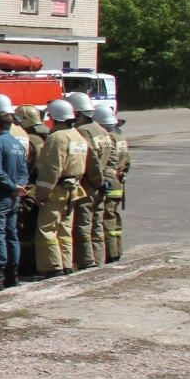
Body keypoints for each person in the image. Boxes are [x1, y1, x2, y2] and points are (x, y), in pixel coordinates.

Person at [34, 98, 87, 278]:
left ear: (55, 117)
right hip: (73, 188)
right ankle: (66, 264)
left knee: (47, 229)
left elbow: (51, 169)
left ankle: (52, 266)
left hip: (57, 190)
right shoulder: (77, 135)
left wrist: (41, 194)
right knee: (65, 230)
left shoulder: (57, 138)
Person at [0, 95, 28, 291]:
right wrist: (19, 186)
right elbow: (24, 171)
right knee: (12, 235)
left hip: (1, 196)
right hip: (14, 197)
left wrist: (11, 187)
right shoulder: (18, 144)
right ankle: (13, 275)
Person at [69, 91, 113, 269]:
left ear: (78, 113)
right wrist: (105, 180)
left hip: (89, 185)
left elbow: (90, 160)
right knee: (97, 226)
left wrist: (96, 181)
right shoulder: (101, 130)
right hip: (101, 185)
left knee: (83, 226)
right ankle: (99, 258)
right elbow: (111, 159)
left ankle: (87, 262)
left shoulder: (82, 132)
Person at [14, 104, 49, 275]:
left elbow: (25, 167)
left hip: (28, 189)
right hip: (39, 188)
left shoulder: (30, 140)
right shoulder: (44, 138)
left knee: (23, 229)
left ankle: (25, 265)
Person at [97, 104, 127, 263]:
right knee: (114, 219)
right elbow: (126, 162)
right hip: (118, 183)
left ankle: (110, 253)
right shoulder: (120, 137)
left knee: (106, 219)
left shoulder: (107, 138)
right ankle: (117, 250)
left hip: (108, 183)